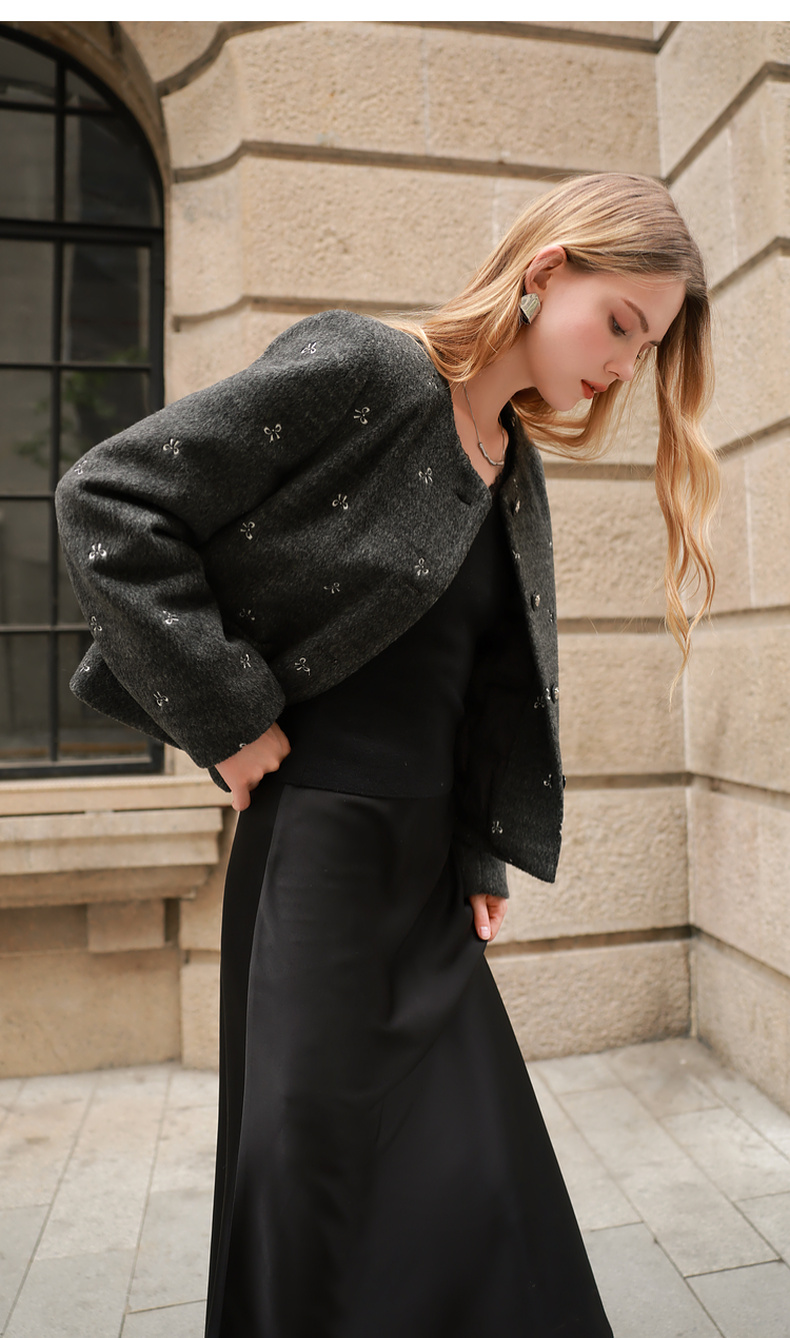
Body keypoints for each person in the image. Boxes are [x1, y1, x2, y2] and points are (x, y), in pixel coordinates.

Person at [55, 172, 719, 1338]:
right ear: (546, 271)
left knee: (484, 1187)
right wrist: (227, 713)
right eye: (620, 323)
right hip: (317, 849)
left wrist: (478, 853)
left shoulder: (511, 465)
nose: (624, 365)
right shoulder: (367, 370)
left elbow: (480, 687)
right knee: (310, 1184)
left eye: (646, 346)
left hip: (423, 879)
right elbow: (108, 499)